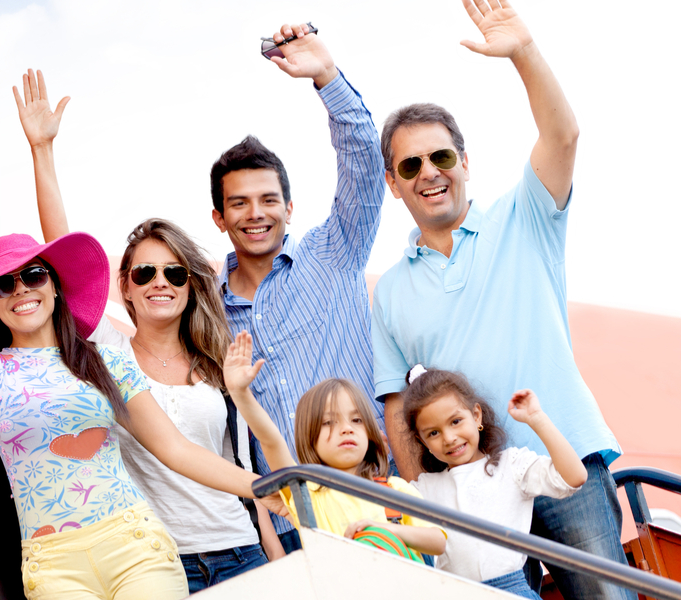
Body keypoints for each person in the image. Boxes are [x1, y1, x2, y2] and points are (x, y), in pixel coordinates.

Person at [0, 125, 287, 599]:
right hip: (53, 563)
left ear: (54, 285)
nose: (22, 290)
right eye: (4, 284)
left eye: (33, 275)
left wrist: (261, 487)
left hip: (133, 544)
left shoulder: (104, 360)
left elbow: (175, 449)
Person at [371, 1, 630, 597]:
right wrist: (422, 501)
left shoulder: (527, 215)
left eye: (441, 157)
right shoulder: (391, 291)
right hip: (469, 491)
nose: (429, 172)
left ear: (464, 161)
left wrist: (522, 51)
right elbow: (394, 404)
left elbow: (562, 133)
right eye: (410, 165)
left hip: (563, 462)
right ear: (393, 183)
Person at [12, 68, 274, 592]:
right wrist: (42, 150)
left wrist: (269, 543)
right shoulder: (106, 353)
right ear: (123, 287)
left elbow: (237, 460)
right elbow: (60, 254)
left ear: (190, 286)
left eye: (175, 273)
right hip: (158, 560)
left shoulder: (217, 360)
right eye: (145, 272)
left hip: (239, 548)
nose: (161, 282)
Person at [210, 22, 384, 555]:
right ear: (219, 218)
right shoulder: (208, 310)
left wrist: (326, 77)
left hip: (371, 500)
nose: (255, 213)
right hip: (289, 521)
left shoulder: (335, 250)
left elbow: (365, 166)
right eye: (238, 203)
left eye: (268, 199)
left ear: (290, 207)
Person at [223, 331, 446, 560]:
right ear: (310, 439)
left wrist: (387, 530)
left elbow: (438, 541)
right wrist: (240, 393)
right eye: (329, 422)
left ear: (371, 434)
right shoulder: (306, 494)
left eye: (357, 420)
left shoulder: (394, 489)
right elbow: (271, 442)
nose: (346, 428)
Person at [402, 366, 585, 598]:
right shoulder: (424, 488)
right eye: (433, 433)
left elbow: (574, 477)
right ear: (421, 440)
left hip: (511, 592)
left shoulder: (511, 466)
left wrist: (537, 419)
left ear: (476, 415)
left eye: (456, 421)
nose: (449, 438)